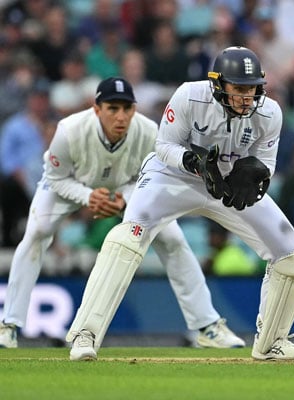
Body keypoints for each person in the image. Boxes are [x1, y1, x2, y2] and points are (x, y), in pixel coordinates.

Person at [65, 47, 294, 362]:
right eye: (237, 88)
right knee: (127, 237)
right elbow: (163, 145)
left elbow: (267, 163)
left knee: (293, 255)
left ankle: (272, 343)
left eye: (250, 88)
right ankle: (85, 335)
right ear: (218, 84)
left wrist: (253, 176)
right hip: (172, 178)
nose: (245, 97)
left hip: (226, 185)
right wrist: (190, 161)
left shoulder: (270, 112)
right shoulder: (188, 96)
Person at [0, 77, 245, 350]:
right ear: (97, 110)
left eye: (127, 109)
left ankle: (207, 326)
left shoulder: (149, 131)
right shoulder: (69, 130)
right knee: (37, 232)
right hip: (70, 182)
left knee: (174, 239)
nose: (121, 116)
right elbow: (56, 178)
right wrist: (88, 197)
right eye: (112, 108)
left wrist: (124, 199)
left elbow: (155, 176)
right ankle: (8, 325)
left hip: (127, 187)